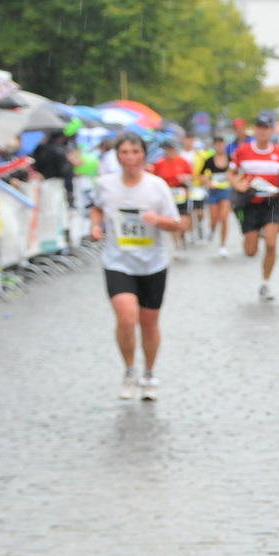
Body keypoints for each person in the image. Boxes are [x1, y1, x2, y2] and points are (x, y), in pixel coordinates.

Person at [87, 132, 191, 400]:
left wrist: (157, 219)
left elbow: (177, 223)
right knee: (126, 317)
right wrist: (95, 225)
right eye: (124, 152)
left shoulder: (157, 186)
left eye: (135, 151)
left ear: (144, 155)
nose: (130, 157)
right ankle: (129, 370)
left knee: (148, 323)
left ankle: (149, 373)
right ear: (117, 156)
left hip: (152, 263)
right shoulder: (106, 184)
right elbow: (96, 207)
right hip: (118, 261)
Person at [233, 111, 279, 299]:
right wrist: (239, 184)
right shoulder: (243, 151)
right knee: (250, 252)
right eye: (259, 128)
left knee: (272, 244)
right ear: (255, 130)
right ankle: (255, 235)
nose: (263, 132)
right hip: (250, 203)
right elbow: (231, 173)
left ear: (271, 131)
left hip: (272, 203)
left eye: (266, 128)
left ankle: (266, 282)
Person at [149, 140, 196, 253]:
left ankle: (184, 233)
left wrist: (185, 178)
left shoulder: (182, 161)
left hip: (181, 192)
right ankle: (176, 246)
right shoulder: (159, 163)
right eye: (167, 150)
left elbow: (192, 175)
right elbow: (153, 178)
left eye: (171, 149)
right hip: (168, 193)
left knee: (183, 221)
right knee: (173, 219)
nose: (169, 152)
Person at [200, 138, 235, 256]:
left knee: (224, 217)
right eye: (217, 144)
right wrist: (209, 183)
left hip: (226, 190)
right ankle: (213, 229)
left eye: (221, 144)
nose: (220, 146)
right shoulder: (210, 160)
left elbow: (237, 172)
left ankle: (223, 244)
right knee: (214, 218)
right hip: (213, 191)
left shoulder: (230, 158)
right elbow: (202, 174)